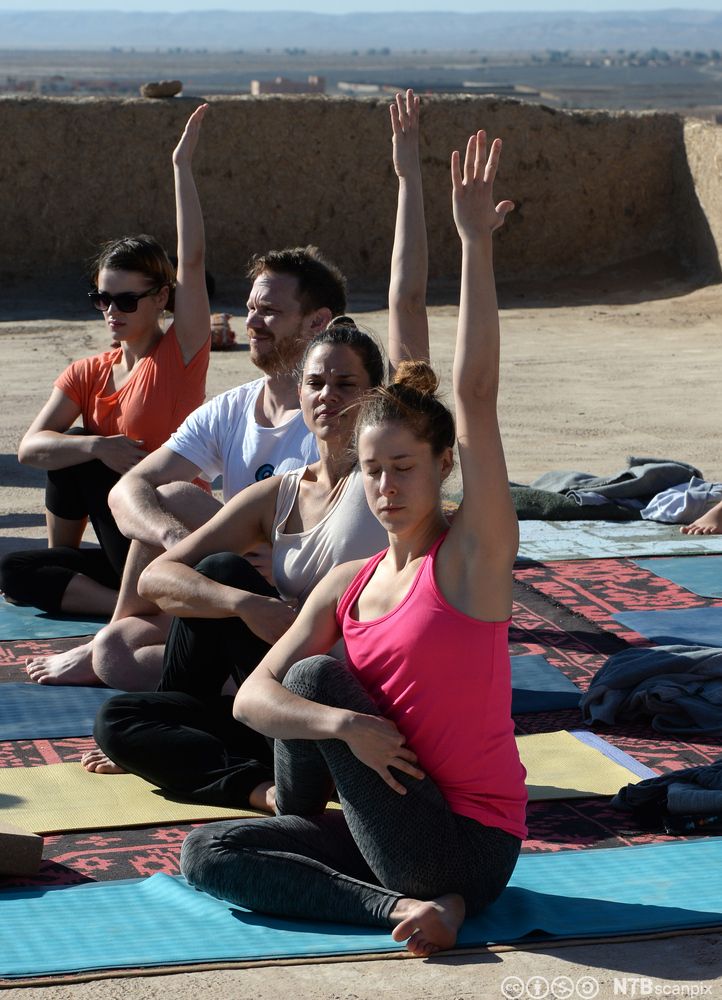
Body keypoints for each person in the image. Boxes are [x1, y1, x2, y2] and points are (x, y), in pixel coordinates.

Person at [179, 129, 527, 958]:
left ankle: (438, 896)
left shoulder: (471, 560)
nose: (386, 488)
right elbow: (250, 702)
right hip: (386, 823)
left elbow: (475, 391)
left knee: (315, 670)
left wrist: (474, 244)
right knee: (207, 851)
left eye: (405, 468)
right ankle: (402, 910)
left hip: (468, 843)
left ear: (443, 465)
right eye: (373, 471)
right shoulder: (347, 582)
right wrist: (343, 728)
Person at [80, 94, 430, 812]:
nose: (328, 396)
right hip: (269, 676)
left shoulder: (382, 479)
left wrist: (407, 182)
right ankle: (262, 790)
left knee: (229, 635)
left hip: (342, 688)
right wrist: (247, 605)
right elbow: (164, 581)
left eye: (346, 384)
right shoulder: (279, 490)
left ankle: (266, 770)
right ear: (296, 390)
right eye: (316, 383)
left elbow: (409, 302)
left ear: (376, 396)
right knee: (123, 718)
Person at [1, 104, 211, 619]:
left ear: (162, 298)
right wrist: (99, 444)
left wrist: (182, 170)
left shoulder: (180, 353)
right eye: (102, 299)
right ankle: (120, 601)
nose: (110, 312)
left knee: (92, 462)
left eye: (125, 301)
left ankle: (137, 601)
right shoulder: (87, 371)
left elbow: (193, 262)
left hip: (168, 533)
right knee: (17, 566)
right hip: (120, 547)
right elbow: (29, 449)